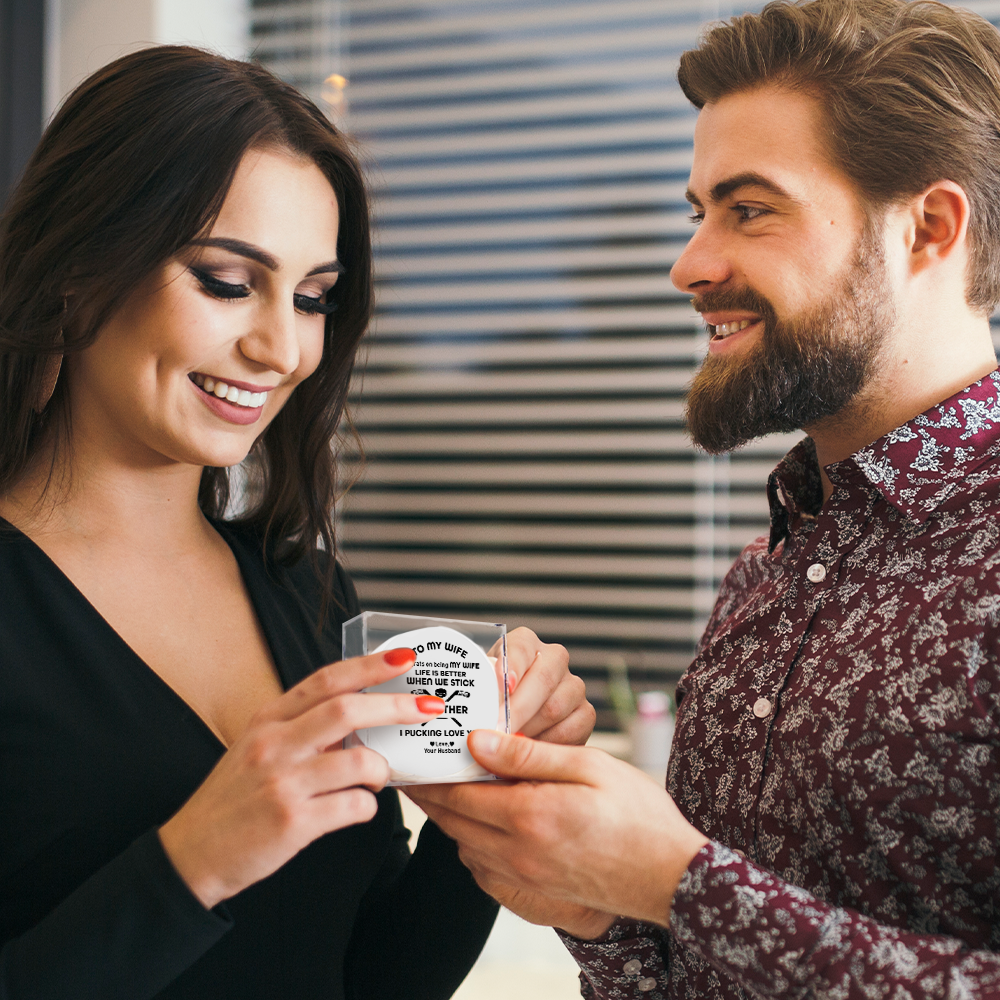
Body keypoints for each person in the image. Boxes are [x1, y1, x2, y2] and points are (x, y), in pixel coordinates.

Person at [408, 0, 1000, 996]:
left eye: (749, 208)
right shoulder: (758, 586)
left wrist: (676, 881)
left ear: (928, 227)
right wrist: (594, 906)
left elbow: (695, 898)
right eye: (698, 212)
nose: (690, 265)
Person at [0, 46, 594, 1000]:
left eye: (313, 297)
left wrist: (481, 806)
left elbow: (368, 978)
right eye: (228, 282)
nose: (282, 347)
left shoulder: (304, 591)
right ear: (77, 269)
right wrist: (190, 865)